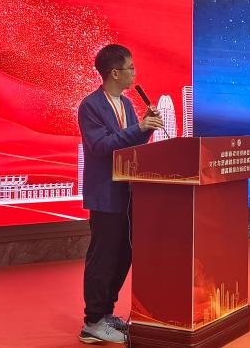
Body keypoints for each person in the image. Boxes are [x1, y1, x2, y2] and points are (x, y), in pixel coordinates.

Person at [77, 44, 164, 344]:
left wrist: (146, 128)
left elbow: (130, 145)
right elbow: (101, 146)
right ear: (115, 73)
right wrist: (139, 127)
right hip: (106, 194)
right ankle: (92, 321)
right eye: (131, 68)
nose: (134, 73)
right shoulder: (90, 106)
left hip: (129, 193)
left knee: (124, 255)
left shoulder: (126, 104)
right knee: (103, 258)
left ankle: (106, 313)